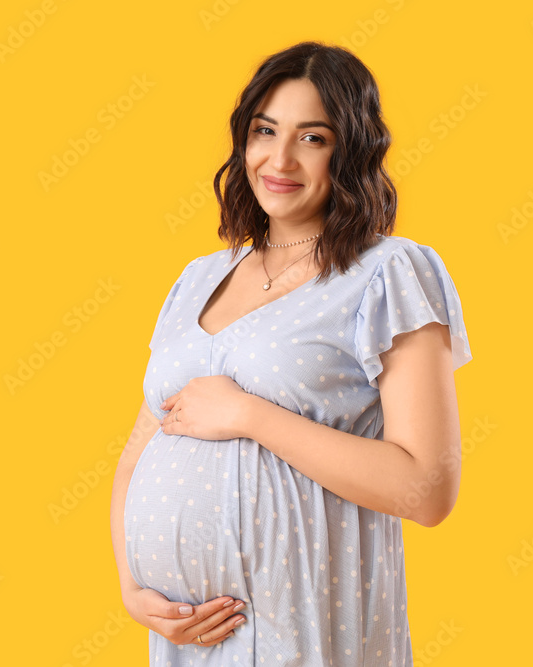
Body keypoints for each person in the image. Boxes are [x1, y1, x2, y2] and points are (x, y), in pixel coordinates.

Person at [110, 41, 472, 666]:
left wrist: (249, 415)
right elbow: (140, 451)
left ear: (350, 152)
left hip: (306, 629)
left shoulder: (388, 272)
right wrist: (133, 587)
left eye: (313, 138)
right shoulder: (198, 277)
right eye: (264, 131)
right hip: (185, 642)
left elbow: (427, 488)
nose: (279, 159)